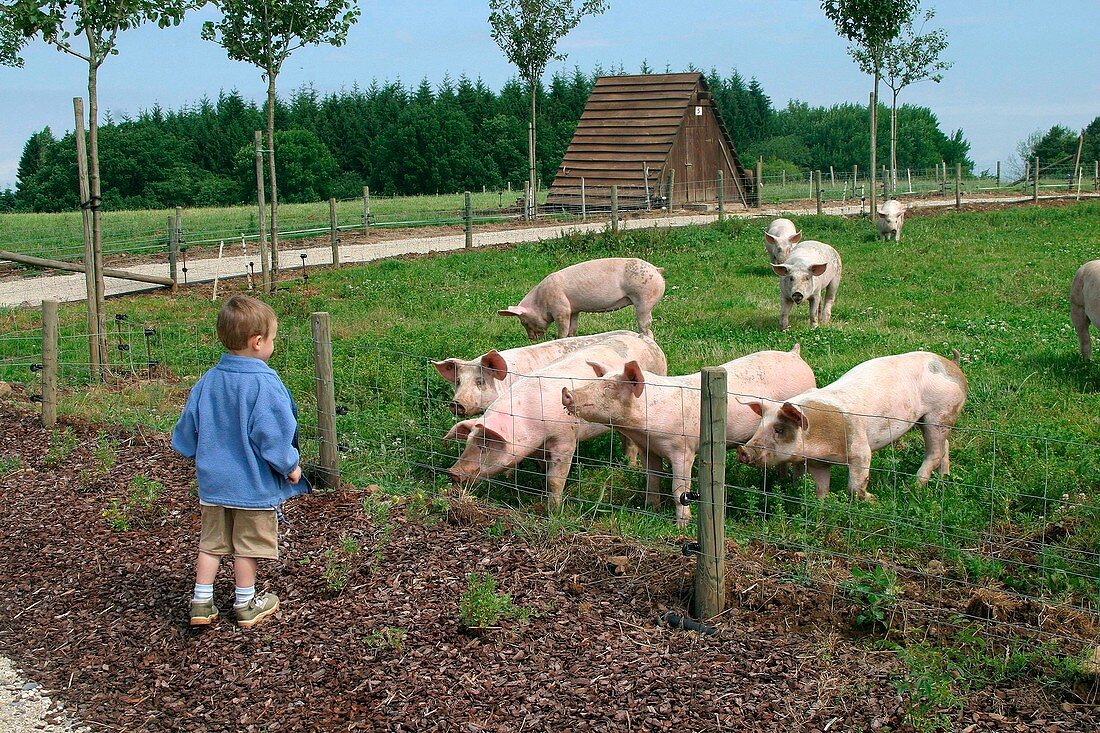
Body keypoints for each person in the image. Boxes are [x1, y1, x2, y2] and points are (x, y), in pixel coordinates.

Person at [172, 294, 308, 628]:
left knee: (211, 543)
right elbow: (273, 435)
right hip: (253, 487)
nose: (273, 345)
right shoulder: (265, 384)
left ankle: (201, 602)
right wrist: (290, 466)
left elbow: (187, 427)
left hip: (214, 483)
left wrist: (193, 449)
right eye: (273, 339)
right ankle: (246, 604)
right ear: (257, 342)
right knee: (246, 547)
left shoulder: (208, 380)